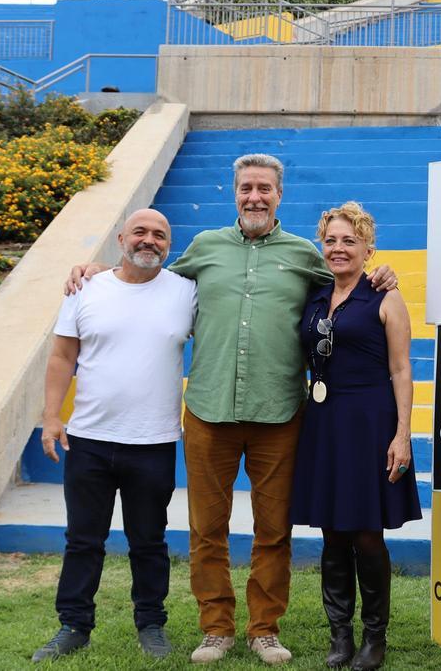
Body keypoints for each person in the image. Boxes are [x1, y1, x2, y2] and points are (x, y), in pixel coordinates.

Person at [67, 154, 397, 666]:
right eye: (246, 188)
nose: (255, 197)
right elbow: (148, 279)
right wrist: (99, 270)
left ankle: (264, 629)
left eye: (264, 188)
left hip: (279, 412)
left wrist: (383, 274)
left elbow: (346, 281)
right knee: (206, 528)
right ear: (235, 192)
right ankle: (216, 628)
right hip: (208, 409)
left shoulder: (305, 254)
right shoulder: (204, 248)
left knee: (272, 530)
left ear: (279, 195)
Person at [35, 209, 196, 662]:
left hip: (154, 441)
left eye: (159, 235)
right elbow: (62, 356)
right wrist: (52, 417)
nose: (149, 241)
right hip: (88, 438)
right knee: (83, 540)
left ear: (169, 243)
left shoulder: (186, 292)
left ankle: (151, 624)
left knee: (149, 540)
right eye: (140, 232)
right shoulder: (86, 288)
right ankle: (73, 625)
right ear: (122, 238)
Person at [290, 202, 421, 671]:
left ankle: (374, 638)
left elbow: (402, 369)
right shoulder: (315, 295)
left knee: (366, 534)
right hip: (323, 423)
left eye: (350, 240)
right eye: (331, 240)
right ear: (321, 247)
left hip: (370, 422)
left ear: (369, 248)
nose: (339, 248)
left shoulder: (385, 296)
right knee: (332, 533)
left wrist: (402, 435)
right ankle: (340, 635)